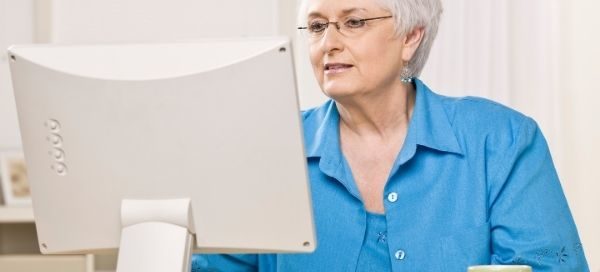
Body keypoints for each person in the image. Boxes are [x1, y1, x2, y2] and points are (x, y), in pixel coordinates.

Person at [193, 0, 590, 271]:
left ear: (410, 37)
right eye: (316, 27)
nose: (329, 43)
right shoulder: (269, 150)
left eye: (354, 22)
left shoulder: (501, 141)